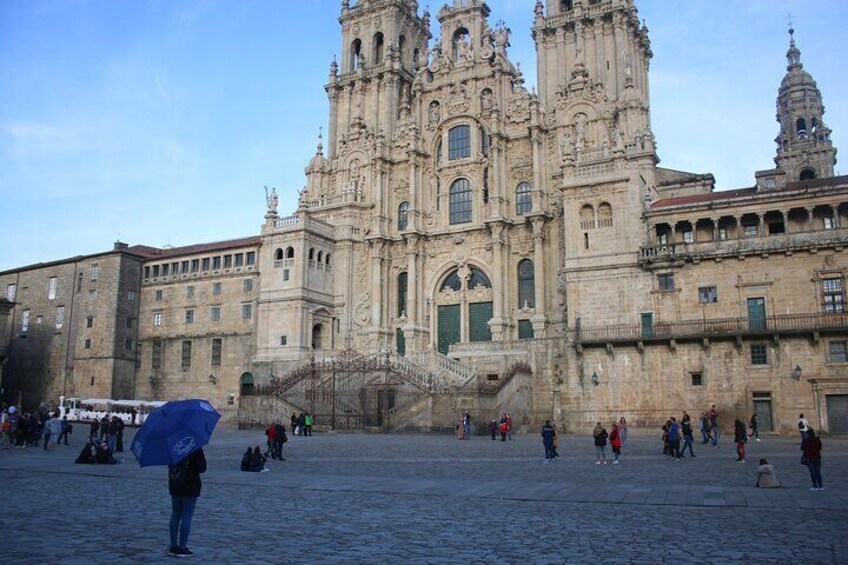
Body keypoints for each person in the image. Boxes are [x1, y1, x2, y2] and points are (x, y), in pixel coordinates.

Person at [168, 447, 207, 557]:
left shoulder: (172, 445)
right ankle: (182, 547)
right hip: (190, 485)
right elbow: (202, 468)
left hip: (175, 483)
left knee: (175, 514)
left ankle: (173, 546)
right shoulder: (194, 446)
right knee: (187, 515)